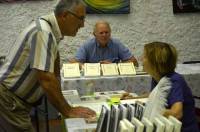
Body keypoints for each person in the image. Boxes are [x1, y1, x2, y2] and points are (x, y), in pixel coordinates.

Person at [0, 0, 96, 131]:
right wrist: (68, 110)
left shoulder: (49, 30)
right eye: (81, 18)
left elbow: (53, 72)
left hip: (12, 101)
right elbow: (46, 78)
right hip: (9, 101)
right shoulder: (44, 32)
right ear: (64, 15)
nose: (83, 24)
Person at [142, 42, 199, 132]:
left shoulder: (174, 80)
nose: (141, 59)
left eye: (144, 57)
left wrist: (151, 113)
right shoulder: (156, 78)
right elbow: (155, 96)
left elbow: (177, 113)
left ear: (155, 62)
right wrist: (132, 98)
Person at [71, 20, 139, 67]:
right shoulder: (87, 45)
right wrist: (94, 67)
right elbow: (73, 63)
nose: (104, 35)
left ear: (110, 33)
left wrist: (114, 66)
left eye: (106, 32)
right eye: (101, 33)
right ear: (95, 34)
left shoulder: (117, 44)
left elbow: (134, 62)